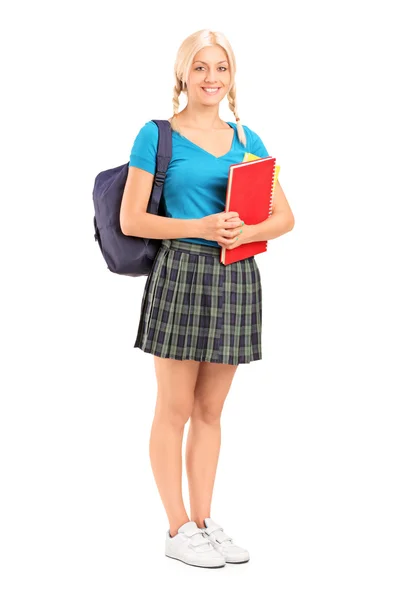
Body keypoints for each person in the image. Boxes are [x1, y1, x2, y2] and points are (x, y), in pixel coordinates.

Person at [120, 29, 295, 569]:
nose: (211, 78)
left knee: (210, 412)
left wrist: (244, 233)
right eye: (200, 68)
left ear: (232, 76)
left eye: (221, 68)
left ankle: (203, 520)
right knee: (173, 409)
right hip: (181, 273)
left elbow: (285, 217)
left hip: (236, 276)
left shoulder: (249, 140)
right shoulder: (157, 135)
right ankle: (176, 528)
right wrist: (201, 224)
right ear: (183, 75)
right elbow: (132, 219)